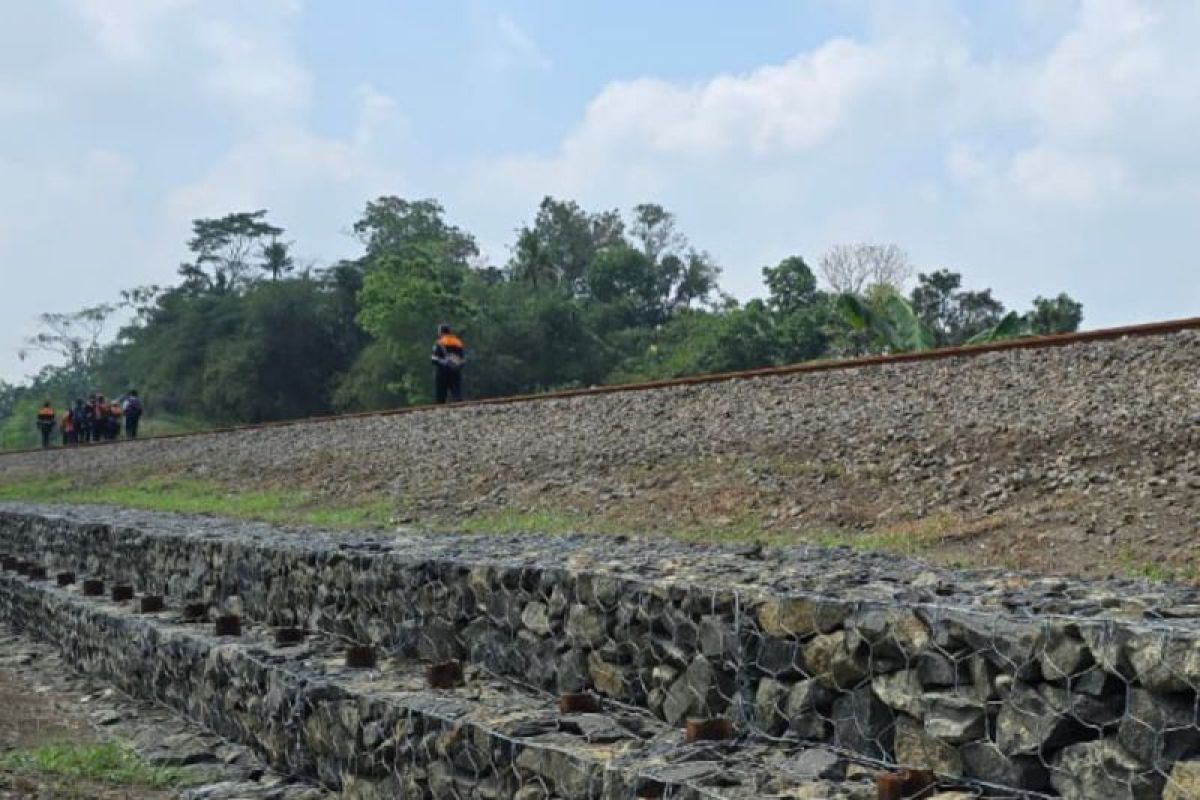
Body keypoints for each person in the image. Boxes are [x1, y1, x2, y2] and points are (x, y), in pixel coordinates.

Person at [431, 324, 466, 404]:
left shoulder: (439, 343)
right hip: (455, 371)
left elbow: (434, 359)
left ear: (441, 332)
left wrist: (443, 362)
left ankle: (440, 410)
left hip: (442, 372)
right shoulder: (458, 342)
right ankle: (459, 408)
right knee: (457, 393)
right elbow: (462, 360)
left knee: (440, 396)